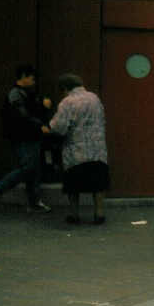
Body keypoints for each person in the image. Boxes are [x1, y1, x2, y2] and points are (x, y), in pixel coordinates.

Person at [0, 64, 52, 213]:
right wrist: (41, 121)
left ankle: (34, 202)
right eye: (31, 78)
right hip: (24, 136)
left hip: (28, 135)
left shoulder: (24, 93)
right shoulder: (16, 94)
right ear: (23, 77)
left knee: (33, 169)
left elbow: (28, 113)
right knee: (28, 168)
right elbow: (23, 115)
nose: (34, 81)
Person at [46, 73, 110, 225]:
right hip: (97, 149)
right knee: (98, 184)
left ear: (65, 88)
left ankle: (74, 215)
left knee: (73, 185)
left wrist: (49, 128)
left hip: (76, 152)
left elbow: (59, 127)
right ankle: (99, 213)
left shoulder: (67, 102)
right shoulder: (94, 98)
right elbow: (102, 119)